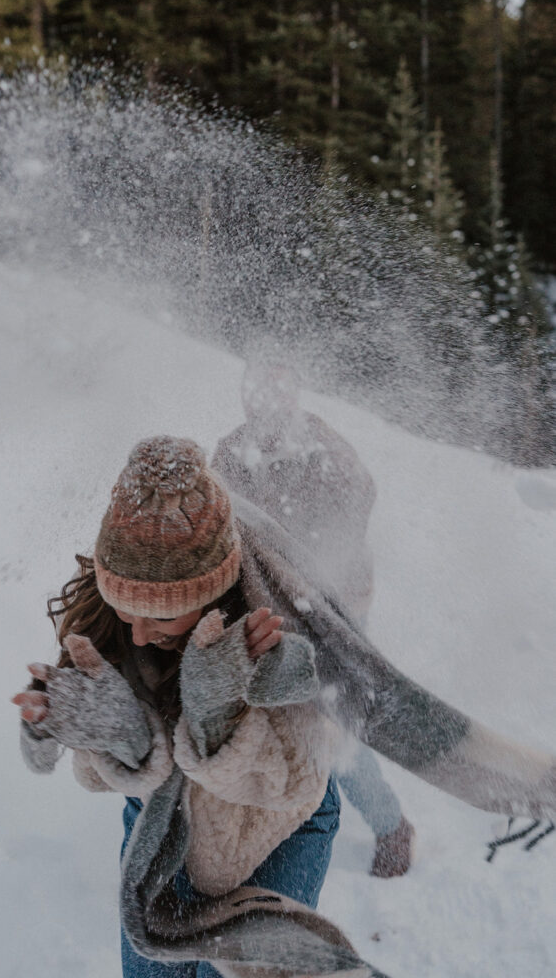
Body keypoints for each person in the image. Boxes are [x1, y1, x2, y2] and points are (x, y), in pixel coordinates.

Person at [13, 434, 556, 978]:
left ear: (210, 591)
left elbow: (293, 781)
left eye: (158, 617)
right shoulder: (108, 620)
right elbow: (66, 766)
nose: (137, 632)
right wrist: (103, 729)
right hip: (165, 827)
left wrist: (215, 712)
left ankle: (392, 826)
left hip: (278, 828)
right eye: (124, 607)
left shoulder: (280, 632)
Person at [212, 358, 413, 877]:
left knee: (334, 723)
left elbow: (358, 503)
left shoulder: (324, 450)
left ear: (293, 396)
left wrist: (316, 562)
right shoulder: (233, 452)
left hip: (334, 608)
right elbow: (221, 522)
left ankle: (390, 824)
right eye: (255, 393)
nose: (264, 405)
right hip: (271, 607)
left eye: (275, 393)